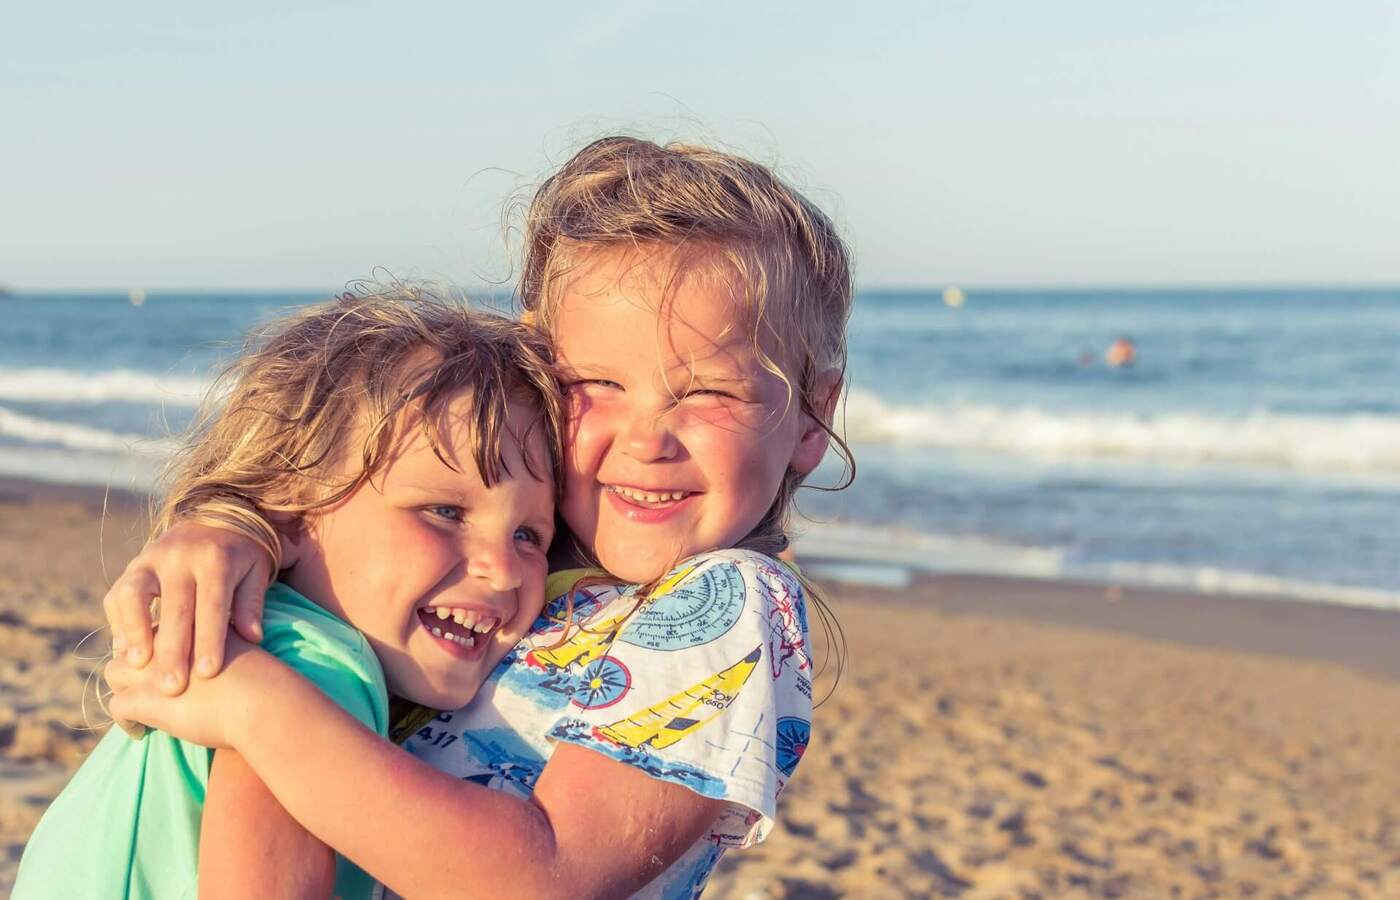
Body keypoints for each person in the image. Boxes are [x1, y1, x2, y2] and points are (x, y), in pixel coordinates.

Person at [99, 136, 853, 898]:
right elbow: (361, 510)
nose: (645, 440)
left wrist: (252, 706)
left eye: (708, 394)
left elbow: (545, 879)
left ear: (812, 416)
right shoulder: (526, 560)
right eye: (596, 381)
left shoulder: (727, 603)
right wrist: (240, 532)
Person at [14, 291, 562, 898]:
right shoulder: (310, 667)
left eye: (529, 535)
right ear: (295, 514)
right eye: (443, 510)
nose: (504, 571)